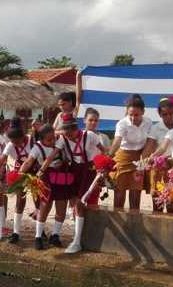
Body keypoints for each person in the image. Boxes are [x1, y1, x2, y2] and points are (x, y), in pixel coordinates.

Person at [53, 113, 104, 254]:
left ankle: (77, 241)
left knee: (80, 204)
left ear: (75, 129)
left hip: (89, 171)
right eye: (65, 132)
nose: (67, 135)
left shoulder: (90, 136)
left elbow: (104, 151)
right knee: (75, 203)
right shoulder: (63, 138)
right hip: (74, 171)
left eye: (69, 132)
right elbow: (54, 153)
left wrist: (104, 168)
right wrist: (42, 169)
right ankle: (78, 238)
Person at [19, 125, 70, 250]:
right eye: (49, 140)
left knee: (61, 205)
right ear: (41, 139)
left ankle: (55, 235)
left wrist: (63, 161)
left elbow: (68, 157)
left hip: (61, 175)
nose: (53, 141)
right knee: (44, 206)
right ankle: (38, 236)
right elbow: (28, 162)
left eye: (53, 138)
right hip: (45, 177)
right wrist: (18, 176)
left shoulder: (59, 141)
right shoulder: (37, 148)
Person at [108, 94, 155, 210]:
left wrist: (141, 162)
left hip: (141, 157)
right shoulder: (122, 124)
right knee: (119, 192)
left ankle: (134, 222)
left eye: (136, 115)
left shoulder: (149, 122)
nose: (133, 118)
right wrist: (108, 157)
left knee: (136, 193)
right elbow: (116, 142)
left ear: (143, 112)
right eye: (131, 115)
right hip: (123, 157)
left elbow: (150, 143)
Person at [0, 118, 34, 244]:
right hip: (19, 172)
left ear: (23, 136)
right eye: (12, 142)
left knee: (38, 202)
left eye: (17, 141)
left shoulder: (32, 140)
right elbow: (1, 159)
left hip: (35, 170)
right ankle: (16, 232)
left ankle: (40, 232)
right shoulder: (10, 145)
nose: (15, 144)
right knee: (20, 200)